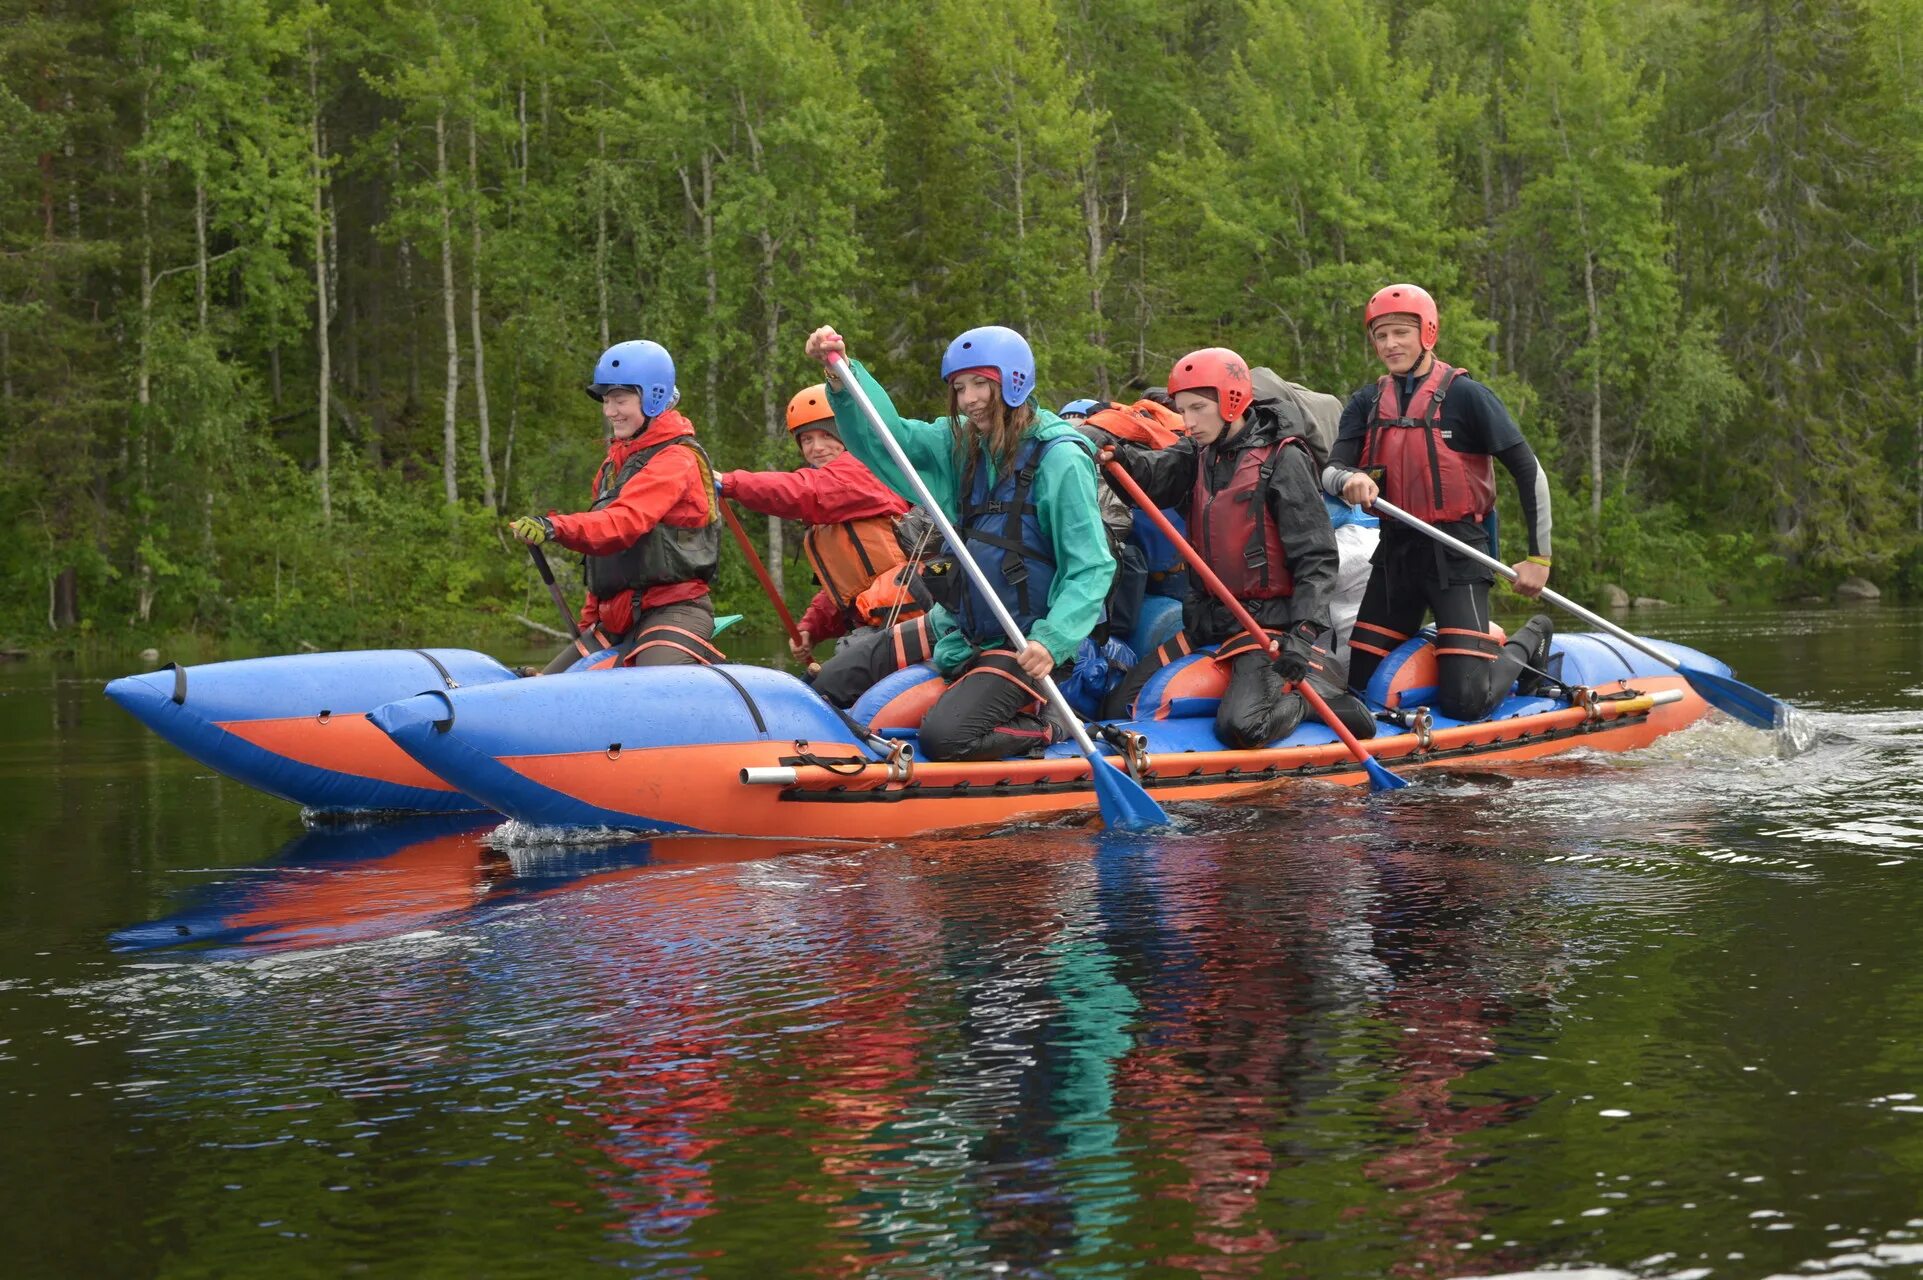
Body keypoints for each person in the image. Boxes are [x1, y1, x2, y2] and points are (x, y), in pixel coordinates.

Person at [804, 323, 1115, 761]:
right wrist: (843, 375)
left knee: (945, 738)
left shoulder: (1059, 458)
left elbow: (1091, 566)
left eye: (980, 384)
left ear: (1013, 381)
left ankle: (1052, 726)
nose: (969, 399)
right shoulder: (962, 445)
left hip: (1025, 640)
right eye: (959, 387)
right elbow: (888, 437)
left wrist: (1052, 641)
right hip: (957, 627)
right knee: (829, 682)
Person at [1100, 347, 1375, 747]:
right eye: (1182, 410)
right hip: (1211, 621)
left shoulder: (1283, 458)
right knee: (1116, 707)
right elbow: (1151, 476)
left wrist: (1301, 634)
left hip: (1268, 626)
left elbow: (1317, 560)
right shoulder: (1198, 451)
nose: (1189, 422)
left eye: (1197, 408)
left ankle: (1311, 701)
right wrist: (1114, 452)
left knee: (1242, 728)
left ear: (1231, 401)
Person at [1321, 283, 1555, 720]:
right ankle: (1441, 644)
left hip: (1459, 554)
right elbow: (1330, 470)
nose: (1390, 344)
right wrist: (1348, 478)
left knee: (1467, 702)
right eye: (1381, 335)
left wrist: (1538, 558)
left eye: (1400, 333)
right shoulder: (1367, 402)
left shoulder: (1468, 397)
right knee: (1358, 686)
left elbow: (1530, 472)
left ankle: (1534, 637)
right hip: (1395, 555)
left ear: (1427, 332)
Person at [510, 339, 722, 673]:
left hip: (674, 610)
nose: (610, 411)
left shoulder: (677, 459)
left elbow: (623, 523)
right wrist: (588, 623)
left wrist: (555, 527)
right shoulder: (613, 465)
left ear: (653, 397)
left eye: (620, 400)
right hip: (616, 620)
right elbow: (602, 554)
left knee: (649, 690)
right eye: (606, 400)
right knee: (543, 684)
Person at [716, 384, 919, 706]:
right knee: (808, 687)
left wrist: (730, 483)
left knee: (821, 689)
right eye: (806, 440)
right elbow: (849, 585)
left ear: (848, 434)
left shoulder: (862, 471)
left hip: (906, 622)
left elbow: (803, 491)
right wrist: (811, 627)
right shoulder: (837, 500)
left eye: (827, 435)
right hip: (874, 623)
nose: (816, 447)